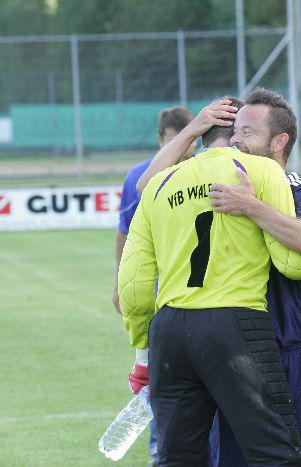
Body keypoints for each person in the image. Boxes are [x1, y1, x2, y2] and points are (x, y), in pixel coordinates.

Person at [136, 90, 301, 467]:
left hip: (294, 349)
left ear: (279, 141)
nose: (234, 140)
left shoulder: (299, 188)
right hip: (233, 356)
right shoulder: (218, 183)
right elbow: (150, 188)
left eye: (246, 132)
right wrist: (192, 131)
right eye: (233, 132)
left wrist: (251, 206)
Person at [111, 105, 195, 465]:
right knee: (160, 383)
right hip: (159, 293)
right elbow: (126, 232)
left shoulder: (202, 170)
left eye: (186, 140)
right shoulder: (140, 176)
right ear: (160, 140)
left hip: (195, 293)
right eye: (171, 140)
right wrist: (121, 282)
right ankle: (160, 452)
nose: (180, 148)